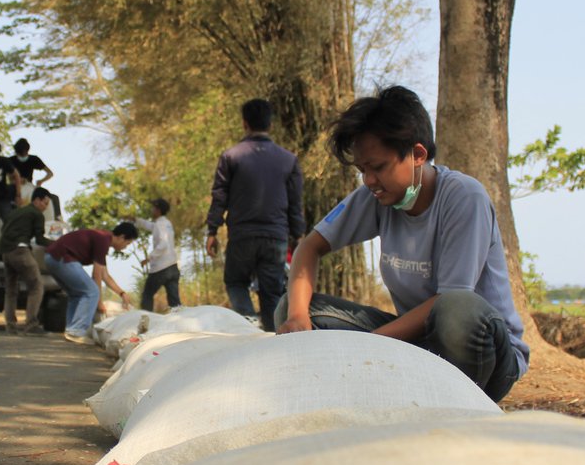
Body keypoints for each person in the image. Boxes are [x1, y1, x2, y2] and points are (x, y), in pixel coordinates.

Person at [276, 85, 529, 402]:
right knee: (293, 306)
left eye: (378, 167)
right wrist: (299, 316)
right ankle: (363, 389)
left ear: (418, 155)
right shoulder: (378, 197)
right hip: (420, 346)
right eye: (362, 170)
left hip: (480, 353)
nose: (369, 181)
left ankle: (460, 404)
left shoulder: (464, 198)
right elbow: (309, 248)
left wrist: (370, 345)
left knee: (457, 308)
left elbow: (449, 300)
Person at [206, 98, 306, 331]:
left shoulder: (231, 156)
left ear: (244, 123)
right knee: (271, 292)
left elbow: (219, 197)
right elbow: (295, 203)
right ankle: (270, 341)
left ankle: (248, 324)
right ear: (270, 124)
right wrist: (299, 236)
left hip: (242, 235)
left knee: (235, 282)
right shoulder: (288, 160)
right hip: (276, 237)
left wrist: (212, 230)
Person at [45, 223, 138, 344]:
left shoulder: (103, 238)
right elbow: (96, 275)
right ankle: (76, 331)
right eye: (127, 243)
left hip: (51, 258)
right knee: (91, 291)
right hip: (62, 258)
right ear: (121, 237)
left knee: (76, 294)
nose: (125, 247)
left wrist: (122, 293)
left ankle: (71, 330)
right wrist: (99, 302)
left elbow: (105, 275)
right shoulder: (103, 240)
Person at [0, 187, 54, 336]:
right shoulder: (36, 214)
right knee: (37, 286)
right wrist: (56, 244)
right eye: (45, 203)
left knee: (10, 291)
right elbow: (40, 239)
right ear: (36, 200)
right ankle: (31, 325)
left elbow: (3, 230)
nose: (45, 207)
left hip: (6, 253)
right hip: (21, 251)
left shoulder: (15, 212)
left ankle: (10, 326)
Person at [134, 198, 181, 312]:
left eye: (153, 208)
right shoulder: (166, 223)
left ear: (158, 210)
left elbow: (163, 244)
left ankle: (146, 321)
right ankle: (180, 322)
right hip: (173, 267)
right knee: (174, 301)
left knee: (147, 295)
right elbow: (150, 226)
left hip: (161, 268)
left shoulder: (160, 224)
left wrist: (148, 258)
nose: (151, 210)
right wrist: (136, 220)